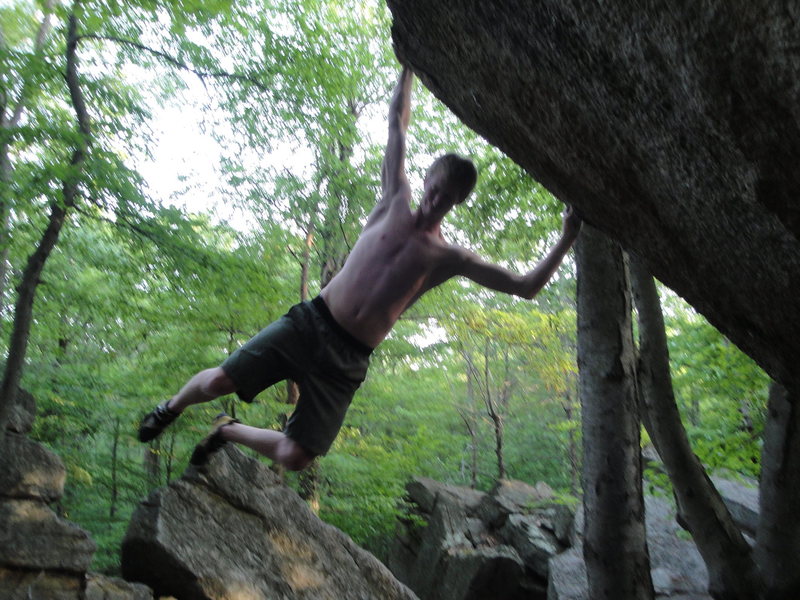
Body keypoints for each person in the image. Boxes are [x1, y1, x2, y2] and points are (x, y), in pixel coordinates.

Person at [137, 66, 582, 471]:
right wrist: (409, 66)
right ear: (428, 179)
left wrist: (565, 238)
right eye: (437, 188)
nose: (437, 200)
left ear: (457, 203)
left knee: (296, 456)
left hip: (348, 358)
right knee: (220, 379)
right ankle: (171, 408)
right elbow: (397, 124)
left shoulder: (450, 258)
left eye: (449, 198)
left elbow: (526, 287)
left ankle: (226, 431)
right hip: (310, 323)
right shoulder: (394, 198)